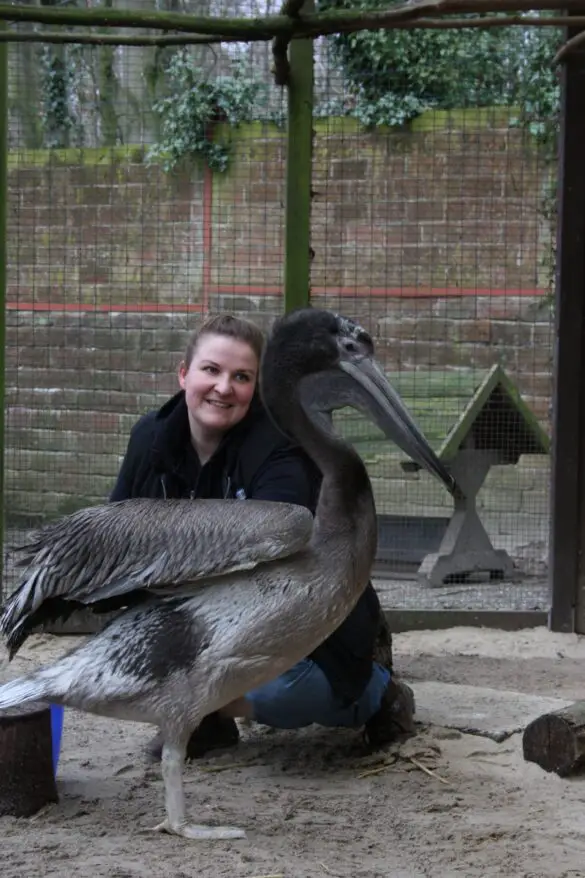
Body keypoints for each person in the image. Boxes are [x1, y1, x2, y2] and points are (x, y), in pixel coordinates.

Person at [110, 313, 415, 760]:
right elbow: (117, 537)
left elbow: (262, 570)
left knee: (281, 694)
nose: (223, 387)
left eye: (241, 376)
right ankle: (208, 718)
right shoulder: (150, 438)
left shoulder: (282, 451)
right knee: (122, 652)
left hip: (296, 625)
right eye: (210, 370)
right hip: (202, 618)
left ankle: (378, 693)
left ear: (257, 386)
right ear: (184, 374)